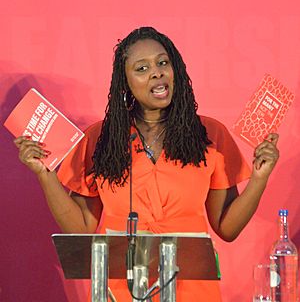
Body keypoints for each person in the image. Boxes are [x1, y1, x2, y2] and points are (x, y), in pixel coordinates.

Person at [14, 27, 279, 301]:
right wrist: (45, 175)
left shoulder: (209, 134)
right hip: (123, 289)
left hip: (192, 289)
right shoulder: (101, 138)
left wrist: (259, 178)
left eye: (163, 63)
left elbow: (227, 228)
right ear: (125, 83)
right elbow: (80, 228)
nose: (156, 72)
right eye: (142, 68)